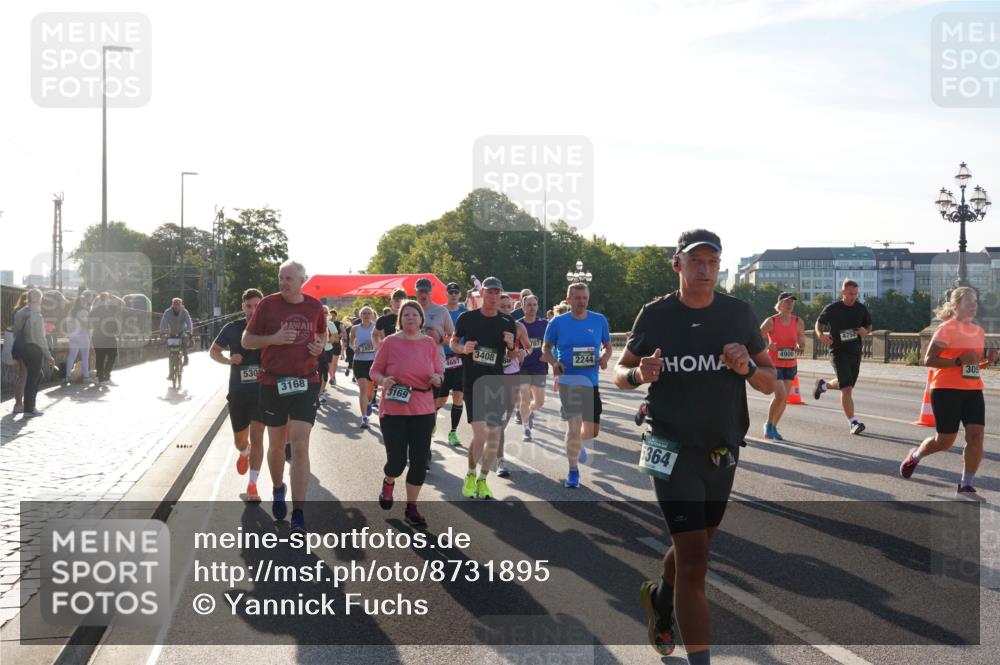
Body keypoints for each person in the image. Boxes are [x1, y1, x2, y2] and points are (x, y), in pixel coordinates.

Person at [614, 229, 776, 662]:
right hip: (669, 446)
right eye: (696, 261)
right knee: (695, 561)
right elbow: (619, 372)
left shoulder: (738, 313)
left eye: (712, 262)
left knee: (697, 546)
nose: (705, 269)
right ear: (678, 265)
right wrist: (638, 376)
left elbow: (769, 382)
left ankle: (661, 604)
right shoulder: (655, 316)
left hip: (722, 448)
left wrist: (745, 368)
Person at [242, 261, 327, 532]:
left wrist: (320, 345)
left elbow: (323, 332)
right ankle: (278, 487)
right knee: (277, 446)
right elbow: (247, 340)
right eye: (281, 277)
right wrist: (274, 338)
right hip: (272, 382)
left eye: (289, 278)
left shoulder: (314, 306)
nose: (284, 282)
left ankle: (299, 511)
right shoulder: (267, 305)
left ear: (302, 280)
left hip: (306, 382)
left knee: (300, 445)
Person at [900, 287, 997, 500]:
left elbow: (970, 367)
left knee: (976, 437)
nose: (973, 305)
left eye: (975, 301)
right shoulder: (946, 329)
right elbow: (929, 360)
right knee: (945, 440)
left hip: (973, 390)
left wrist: (986, 362)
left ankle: (966, 484)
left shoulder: (978, 332)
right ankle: (915, 456)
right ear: (956, 306)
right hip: (945, 390)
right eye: (968, 301)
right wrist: (959, 360)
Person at [370, 300, 444, 528]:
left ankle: (412, 507)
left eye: (415, 315)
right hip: (394, 409)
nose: (411, 318)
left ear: (421, 319)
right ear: (400, 320)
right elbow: (374, 370)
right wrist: (383, 380)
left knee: (420, 461)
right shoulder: (390, 343)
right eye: (406, 315)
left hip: (423, 408)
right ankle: (389, 480)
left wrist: (437, 379)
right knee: (397, 461)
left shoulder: (429, 344)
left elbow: (439, 372)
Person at [450, 276, 517, 500]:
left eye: (497, 292)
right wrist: (462, 349)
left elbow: (512, 356)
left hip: (495, 384)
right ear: (482, 294)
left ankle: (483, 479)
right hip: (473, 383)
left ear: (501, 295)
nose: (493, 296)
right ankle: (470, 473)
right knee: (480, 435)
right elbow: (453, 342)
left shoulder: (508, 323)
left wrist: (510, 345)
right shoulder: (467, 318)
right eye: (489, 292)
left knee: (494, 436)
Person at [542, 283, 613, 488]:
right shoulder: (558, 322)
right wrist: (554, 363)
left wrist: (605, 357)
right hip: (569, 380)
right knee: (574, 426)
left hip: (591, 381)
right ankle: (573, 471)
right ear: (569, 299)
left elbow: (608, 346)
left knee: (592, 432)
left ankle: (579, 443)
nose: (581, 301)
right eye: (577, 298)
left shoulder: (599, 320)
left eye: (584, 298)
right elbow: (546, 348)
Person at [211, 288, 266, 503]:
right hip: (238, 392)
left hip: (262, 392)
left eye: (257, 306)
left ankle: (253, 485)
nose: (253, 310)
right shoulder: (232, 328)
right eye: (249, 306)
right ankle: (244, 453)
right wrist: (228, 360)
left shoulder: (268, 330)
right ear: (243, 307)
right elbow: (213, 351)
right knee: (240, 440)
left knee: (259, 438)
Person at [813, 279, 873, 435]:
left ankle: (823, 385)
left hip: (855, 351)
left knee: (847, 384)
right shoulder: (832, 308)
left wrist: (865, 331)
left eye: (855, 294)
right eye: (850, 293)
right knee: (846, 389)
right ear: (843, 292)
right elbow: (819, 323)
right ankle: (853, 422)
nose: (853, 297)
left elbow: (869, 325)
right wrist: (820, 335)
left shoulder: (861, 308)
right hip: (838, 351)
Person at [759, 292, 805, 441]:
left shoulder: (798, 321)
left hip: (790, 363)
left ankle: (773, 426)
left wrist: (800, 342)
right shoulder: (771, 321)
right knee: (780, 396)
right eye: (786, 302)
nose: (790, 305)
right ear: (779, 305)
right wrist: (768, 345)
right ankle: (768, 424)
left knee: (784, 399)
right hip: (774, 364)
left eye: (792, 302)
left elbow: (801, 336)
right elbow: (756, 336)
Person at [414, 278, 455, 445]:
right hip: (411, 365)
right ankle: (417, 441)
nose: (423, 294)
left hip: (435, 364)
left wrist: (439, 339)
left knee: (430, 406)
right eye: (420, 291)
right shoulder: (409, 310)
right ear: (415, 292)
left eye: (426, 291)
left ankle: (425, 444)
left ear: (431, 292)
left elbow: (453, 336)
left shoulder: (441, 311)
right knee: (414, 405)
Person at [496, 294, 531, 478]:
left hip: (511, 375)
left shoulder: (518, 326)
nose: (507, 309)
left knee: (503, 420)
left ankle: (496, 446)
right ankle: (501, 461)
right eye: (503, 306)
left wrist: (523, 353)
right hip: (492, 377)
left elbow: (529, 346)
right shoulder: (489, 325)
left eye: (509, 306)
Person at [13, 289, 58, 417]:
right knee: (33, 379)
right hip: (34, 349)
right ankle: (29, 408)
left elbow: (16, 332)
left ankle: (27, 406)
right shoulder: (37, 316)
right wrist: (49, 356)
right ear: (40, 299)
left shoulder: (20, 313)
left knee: (34, 376)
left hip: (23, 348)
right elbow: (41, 339)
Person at [438, 283, 467, 447]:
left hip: (461, 359)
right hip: (442, 359)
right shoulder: (440, 311)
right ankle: (431, 420)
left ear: (460, 294)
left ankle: (453, 432)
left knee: (458, 396)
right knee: (441, 399)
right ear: (446, 294)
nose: (454, 294)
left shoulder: (465, 313)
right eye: (451, 292)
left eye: (456, 292)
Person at [517, 294, 548, 441]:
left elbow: (554, 341)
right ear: (522, 307)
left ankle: (529, 411)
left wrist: (547, 354)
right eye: (528, 305)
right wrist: (517, 353)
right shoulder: (517, 325)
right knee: (524, 398)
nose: (532, 307)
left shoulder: (544, 324)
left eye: (534, 304)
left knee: (539, 402)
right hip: (522, 367)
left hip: (539, 366)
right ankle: (526, 428)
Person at [350, 306, 378, 428]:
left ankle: (369, 402)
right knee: (363, 389)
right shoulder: (355, 328)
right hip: (359, 361)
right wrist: (354, 348)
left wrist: (373, 343)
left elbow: (382, 342)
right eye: (364, 313)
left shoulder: (376, 328)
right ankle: (364, 418)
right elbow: (351, 343)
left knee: (370, 392)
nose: (366, 315)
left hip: (373, 361)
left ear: (372, 315)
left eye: (368, 313)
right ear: (360, 315)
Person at [89, 292, 124, 385]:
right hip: (101, 336)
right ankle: (101, 378)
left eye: (109, 298)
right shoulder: (96, 310)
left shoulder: (108, 308)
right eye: (107, 298)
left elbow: (122, 303)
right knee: (103, 357)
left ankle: (103, 377)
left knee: (109, 356)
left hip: (105, 336)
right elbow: (122, 302)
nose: (109, 300)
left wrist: (112, 296)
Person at [64, 291, 95, 385]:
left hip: (73, 336)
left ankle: (67, 376)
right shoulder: (84, 312)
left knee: (71, 356)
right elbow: (87, 325)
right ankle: (86, 377)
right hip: (83, 336)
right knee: (85, 357)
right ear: (83, 302)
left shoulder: (71, 313)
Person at [159, 297, 193, 375]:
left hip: (182, 332)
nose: (176, 306)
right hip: (172, 332)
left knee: (184, 341)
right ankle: (171, 372)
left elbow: (189, 322)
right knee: (170, 350)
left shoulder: (184, 312)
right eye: (174, 304)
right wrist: (162, 333)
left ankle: (185, 356)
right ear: (172, 305)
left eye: (178, 304)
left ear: (181, 305)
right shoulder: (167, 312)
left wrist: (189, 332)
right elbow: (163, 323)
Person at [9, 292, 29, 413]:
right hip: (25, 346)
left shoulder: (16, 312)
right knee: (23, 375)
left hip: (17, 345)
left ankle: (19, 402)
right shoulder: (26, 313)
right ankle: (19, 403)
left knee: (21, 375)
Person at [317, 306, 333, 403]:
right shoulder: (313, 321)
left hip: (326, 351)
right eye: (322, 312)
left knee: (324, 373)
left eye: (326, 312)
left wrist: (329, 340)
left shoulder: (329, 324)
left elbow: (334, 337)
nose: (324, 314)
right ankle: (316, 393)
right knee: (316, 373)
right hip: (314, 352)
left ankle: (321, 393)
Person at [328, 309, 343, 382]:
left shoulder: (338, 323)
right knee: (329, 362)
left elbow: (343, 332)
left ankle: (333, 376)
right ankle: (331, 376)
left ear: (336, 316)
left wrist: (337, 336)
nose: (332, 317)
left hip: (336, 345)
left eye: (334, 315)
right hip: (328, 345)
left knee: (334, 362)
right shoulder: (326, 323)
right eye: (331, 315)